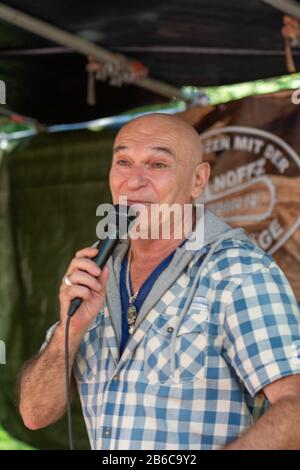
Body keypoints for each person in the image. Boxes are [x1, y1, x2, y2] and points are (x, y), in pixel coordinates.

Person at [19, 113, 300, 450]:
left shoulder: (239, 270)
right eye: (123, 161)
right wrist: (71, 326)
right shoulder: (97, 263)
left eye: (157, 164)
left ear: (198, 180)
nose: (133, 181)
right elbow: (34, 414)